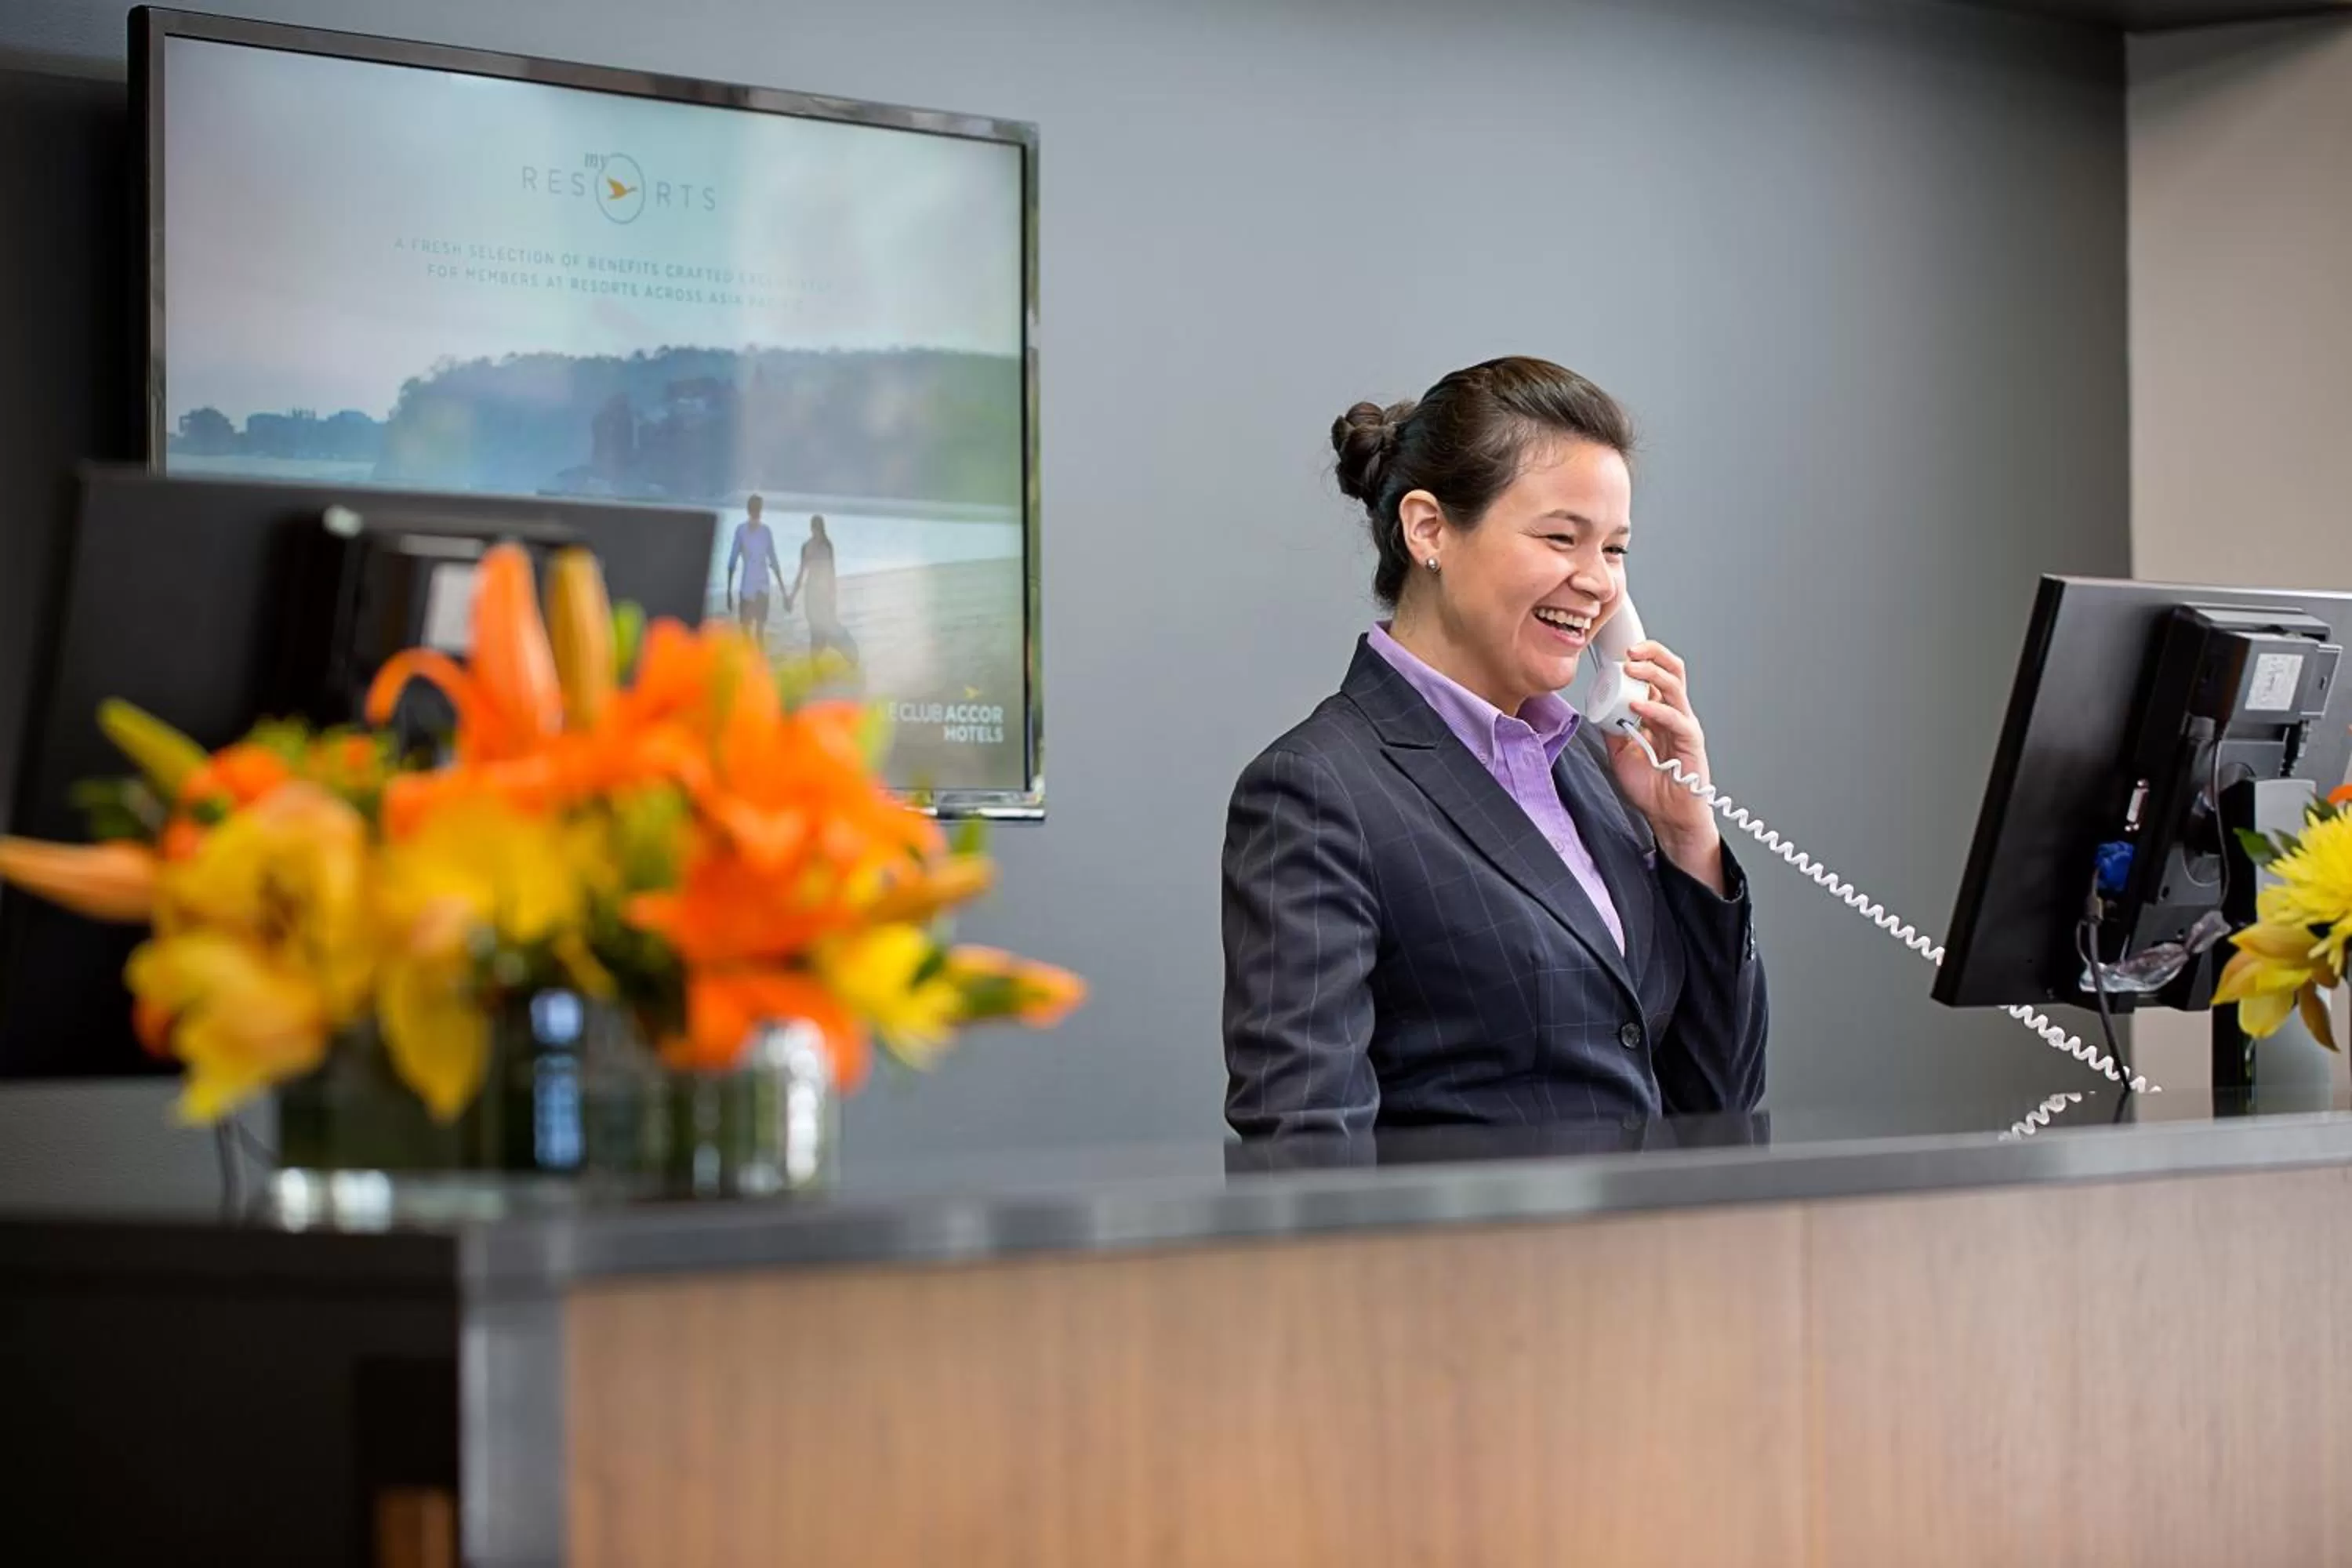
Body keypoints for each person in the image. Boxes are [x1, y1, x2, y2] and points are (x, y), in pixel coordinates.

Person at [1221, 356, 1766, 1138]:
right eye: (1560, 538)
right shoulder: (1317, 790)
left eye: (1614, 549)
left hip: (1650, 1254)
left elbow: (1721, 1108)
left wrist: (1688, 836)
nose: (1599, 583)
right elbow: (1308, 1150)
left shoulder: (1596, 771)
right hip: (1476, 1262)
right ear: (1429, 528)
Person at [789, 514, 858, 666]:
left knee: (829, 628)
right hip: (811, 594)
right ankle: (815, 665)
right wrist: (792, 597)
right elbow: (801, 574)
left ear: (822, 529)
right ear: (811, 529)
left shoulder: (828, 546)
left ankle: (850, 655)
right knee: (815, 630)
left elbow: (832, 572)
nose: (816, 533)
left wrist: (833, 595)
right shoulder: (806, 547)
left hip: (825, 594)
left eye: (819, 529)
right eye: (814, 529)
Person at [725, 493, 789, 650]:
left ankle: (758, 664)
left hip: (762, 586)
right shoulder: (741, 531)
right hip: (747, 587)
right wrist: (728, 591)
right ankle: (750, 664)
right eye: (755, 509)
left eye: (758, 509)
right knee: (746, 630)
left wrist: (783, 591)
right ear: (749, 510)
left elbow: (773, 560)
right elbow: (732, 561)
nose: (757, 513)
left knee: (759, 631)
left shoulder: (766, 531)